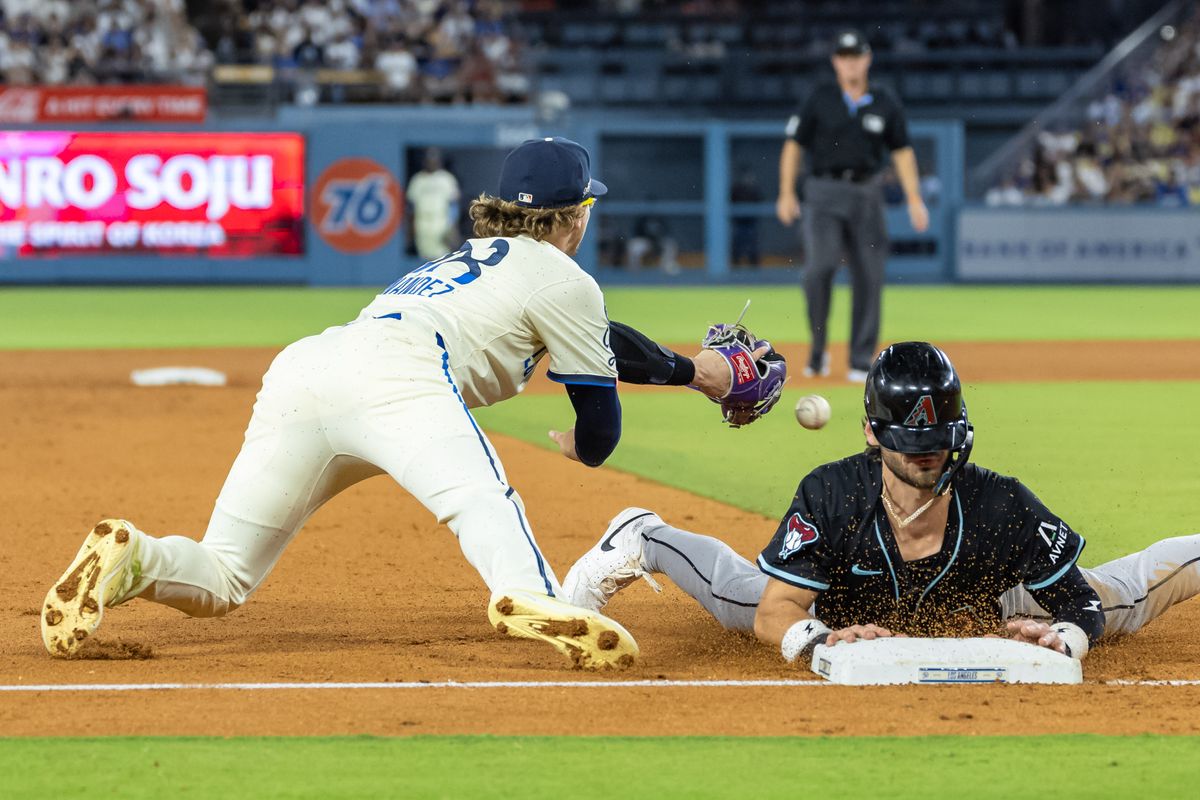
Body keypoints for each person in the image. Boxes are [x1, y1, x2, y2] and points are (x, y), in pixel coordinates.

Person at [40, 137, 778, 669]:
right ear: (573, 215)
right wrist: (582, 449)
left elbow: (603, 337)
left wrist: (690, 371)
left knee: (225, 574)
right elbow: (601, 427)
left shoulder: (471, 260)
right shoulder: (563, 277)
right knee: (481, 499)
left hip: (306, 371)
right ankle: (534, 596)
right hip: (398, 383)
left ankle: (133, 559)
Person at [564, 342, 1200, 665]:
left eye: (937, 444)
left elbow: (1079, 603)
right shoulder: (831, 493)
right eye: (909, 443)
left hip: (990, 599)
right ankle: (643, 535)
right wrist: (819, 644)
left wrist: (1062, 635)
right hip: (836, 599)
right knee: (741, 600)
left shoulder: (1005, 504)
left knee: (1123, 602)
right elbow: (779, 612)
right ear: (872, 434)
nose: (926, 457)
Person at [776, 30, 930, 383]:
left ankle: (860, 359)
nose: (850, 62)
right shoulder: (820, 97)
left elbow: (902, 151)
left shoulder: (884, 101)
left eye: (856, 56)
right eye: (844, 56)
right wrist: (786, 192)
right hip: (823, 192)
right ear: (835, 62)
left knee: (869, 276)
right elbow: (793, 145)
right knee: (820, 268)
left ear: (867, 59)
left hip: (867, 194)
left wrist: (914, 199)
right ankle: (818, 350)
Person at [407, 148, 462, 260]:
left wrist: (452, 227)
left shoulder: (447, 179)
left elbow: (454, 206)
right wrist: (410, 230)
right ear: (424, 161)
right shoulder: (418, 180)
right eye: (429, 159)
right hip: (422, 225)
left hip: (441, 224)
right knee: (424, 260)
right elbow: (411, 208)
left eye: (434, 159)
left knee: (443, 259)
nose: (432, 162)